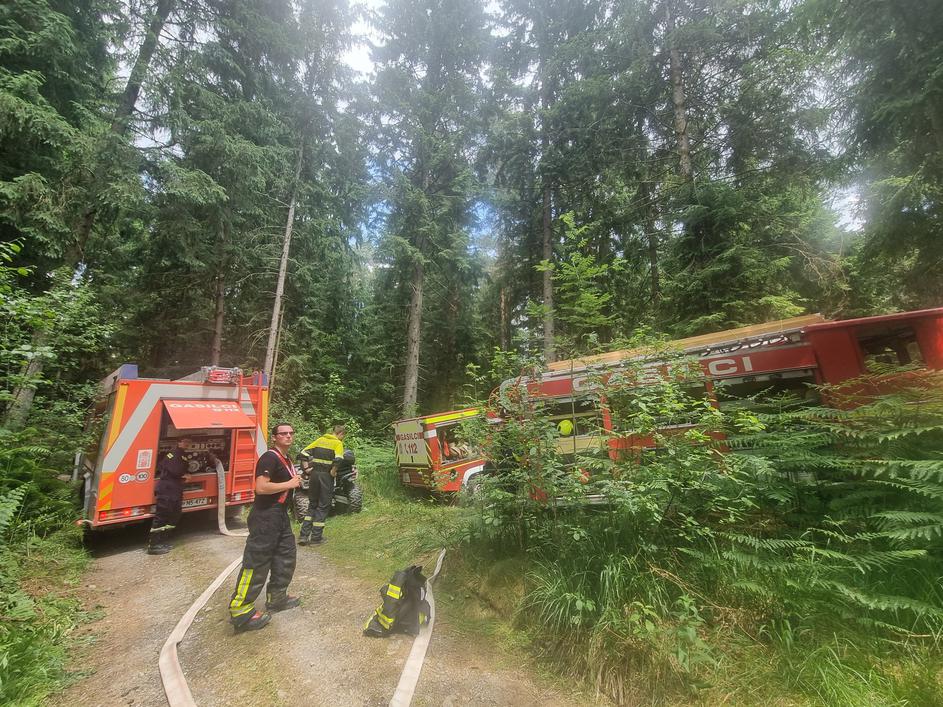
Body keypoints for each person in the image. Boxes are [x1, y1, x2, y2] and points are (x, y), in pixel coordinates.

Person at [228, 422, 302, 632]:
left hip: (280, 516)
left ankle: (277, 597)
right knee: (257, 562)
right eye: (283, 433)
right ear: (274, 437)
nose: (288, 436)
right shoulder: (269, 458)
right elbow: (261, 487)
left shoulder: (286, 458)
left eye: (291, 433)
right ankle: (241, 610)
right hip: (265, 516)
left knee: (286, 556)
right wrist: (290, 484)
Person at [297, 423, 345, 546]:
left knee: (312, 504)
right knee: (323, 506)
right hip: (326, 477)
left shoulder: (320, 440)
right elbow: (339, 459)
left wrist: (306, 469)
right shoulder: (337, 443)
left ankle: (303, 536)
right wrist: (333, 471)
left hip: (314, 475)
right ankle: (316, 539)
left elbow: (303, 453)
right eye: (343, 436)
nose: (342, 439)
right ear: (340, 434)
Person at [146, 436, 194, 555]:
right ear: (178, 443)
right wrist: (184, 475)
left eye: (189, 442)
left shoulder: (181, 455)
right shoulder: (174, 454)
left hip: (175, 490)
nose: (187, 444)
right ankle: (153, 545)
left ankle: (162, 540)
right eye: (185, 441)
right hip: (167, 490)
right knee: (162, 517)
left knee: (174, 516)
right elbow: (175, 470)